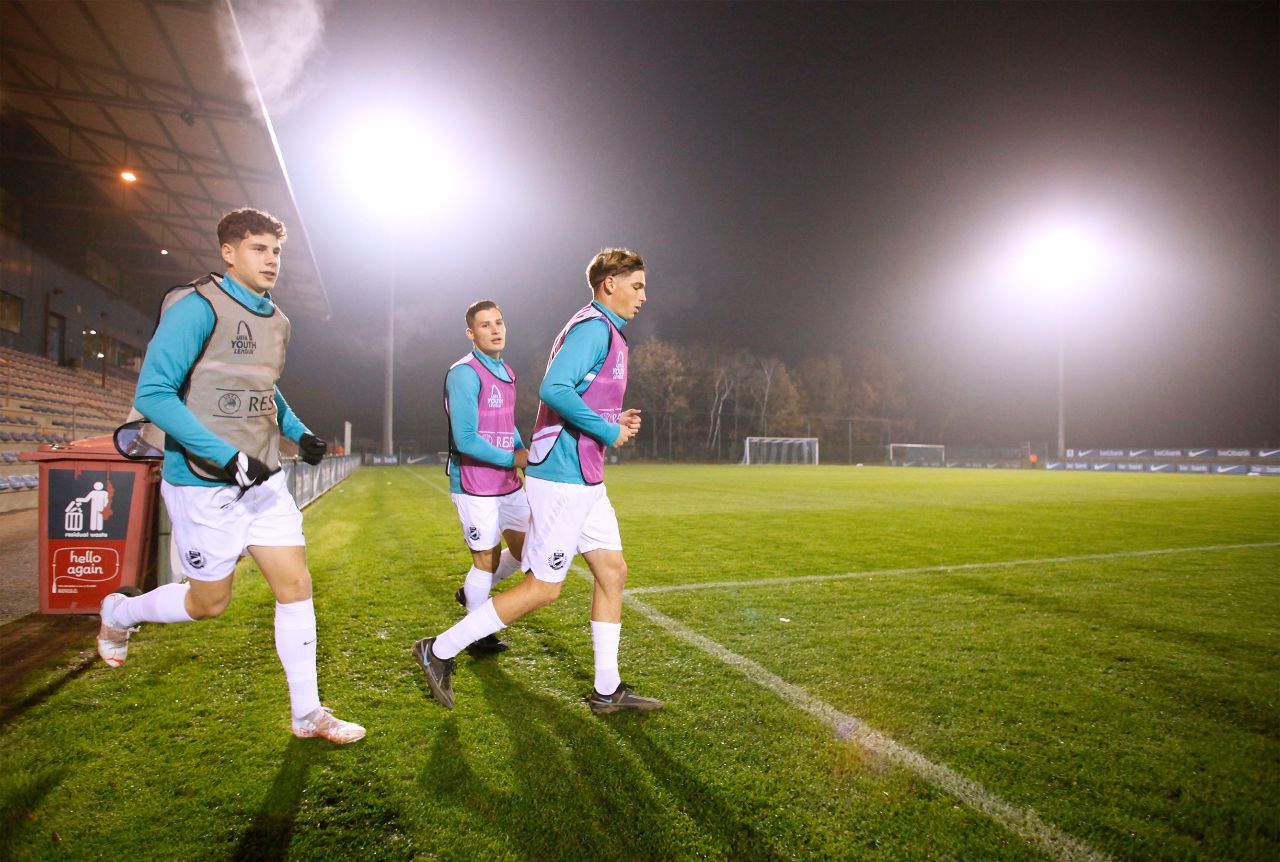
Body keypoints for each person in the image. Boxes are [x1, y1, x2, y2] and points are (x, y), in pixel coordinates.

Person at [96, 207, 364, 744]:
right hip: (203, 483)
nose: (272, 260)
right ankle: (120, 611)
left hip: (264, 481)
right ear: (228, 252)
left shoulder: (278, 320)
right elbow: (153, 394)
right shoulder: (195, 308)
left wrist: (298, 431)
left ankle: (307, 713)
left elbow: (264, 386)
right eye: (259, 249)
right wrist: (225, 456)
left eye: (277, 251)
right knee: (208, 603)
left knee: (296, 586)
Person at [413, 248, 660, 714]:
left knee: (612, 571)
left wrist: (611, 420)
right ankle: (438, 649)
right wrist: (609, 430)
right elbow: (554, 388)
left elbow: (578, 395)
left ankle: (607, 690)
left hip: (586, 476)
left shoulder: (606, 330)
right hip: (564, 477)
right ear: (610, 283)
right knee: (544, 588)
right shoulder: (593, 328)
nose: (644, 296)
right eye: (637, 285)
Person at [438, 300, 530, 654]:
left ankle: (472, 592)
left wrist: (524, 452)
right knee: (485, 560)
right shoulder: (464, 373)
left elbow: (506, 423)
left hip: (508, 484)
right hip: (475, 485)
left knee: (525, 551)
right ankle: (476, 635)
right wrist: (512, 458)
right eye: (485, 325)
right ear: (471, 333)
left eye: (499, 322)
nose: (495, 330)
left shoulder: (506, 371)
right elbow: (465, 439)